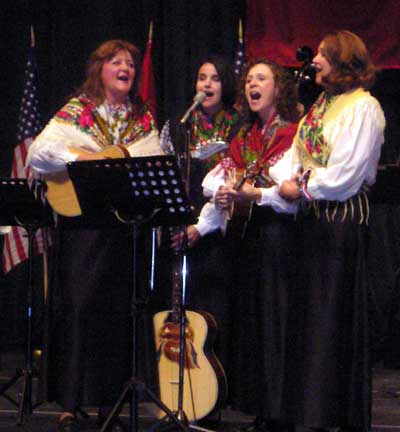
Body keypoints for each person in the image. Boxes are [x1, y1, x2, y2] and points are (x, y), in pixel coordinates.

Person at [27, 39, 163, 432]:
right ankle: (70, 402)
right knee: (79, 309)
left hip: (122, 228)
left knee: (117, 315)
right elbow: (39, 153)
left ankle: (110, 402)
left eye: (131, 65)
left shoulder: (141, 117)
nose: (126, 68)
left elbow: (150, 159)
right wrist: (84, 158)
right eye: (116, 62)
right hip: (84, 228)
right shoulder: (79, 111)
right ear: (99, 69)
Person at [276, 30, 386, 432]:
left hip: (340, 226)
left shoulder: (363, 108)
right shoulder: (320, 107)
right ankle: (308, 417)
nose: (315, 60)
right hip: (312, 224)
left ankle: (329, 417)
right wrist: (279, 186)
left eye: (322, 54)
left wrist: (301, 186)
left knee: (329, 325)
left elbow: (344, 174)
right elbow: (294, 158)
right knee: (309, 325)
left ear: (341, 60)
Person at [201, 58, 301, 432]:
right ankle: (260, 408)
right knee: (254, 321)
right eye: (248, 80)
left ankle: (280, 412)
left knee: (276, 321)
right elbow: (214, 179)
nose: (251, 85)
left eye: (261, 79)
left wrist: (253, 193)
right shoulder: (246, 136)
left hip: (280, 237)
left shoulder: (292, 134)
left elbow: (291, 190)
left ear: (279, 88)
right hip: (250, 237)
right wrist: (225, 193)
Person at [158, 55, 240, 402]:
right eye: (201, 77)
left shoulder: (237, 126)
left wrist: (200, 228)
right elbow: (164, 177)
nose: (206, 84)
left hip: (219, 230)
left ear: (226, 87)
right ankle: (181, 389)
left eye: (215, 79)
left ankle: (216, 391)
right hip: (181, 228)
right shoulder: (178, 126)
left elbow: (232, 182)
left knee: (216, 309)